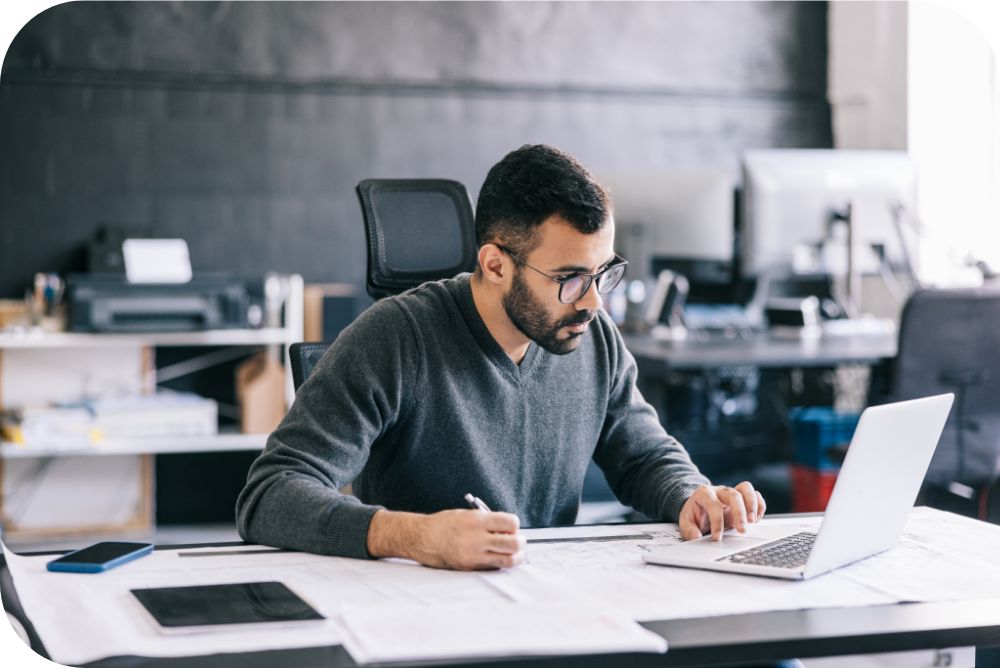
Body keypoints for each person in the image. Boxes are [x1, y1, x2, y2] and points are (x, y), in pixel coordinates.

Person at [236, 144, 767, 571]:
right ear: (494, 265)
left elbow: (644, 456)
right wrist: (414, 535)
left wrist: (692, 496)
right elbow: (270, 493)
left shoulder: (593, 335)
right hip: (423, 610)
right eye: (570, 279)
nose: (594, 301)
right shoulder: (395, 338)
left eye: (603, 271)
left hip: (547, 600)